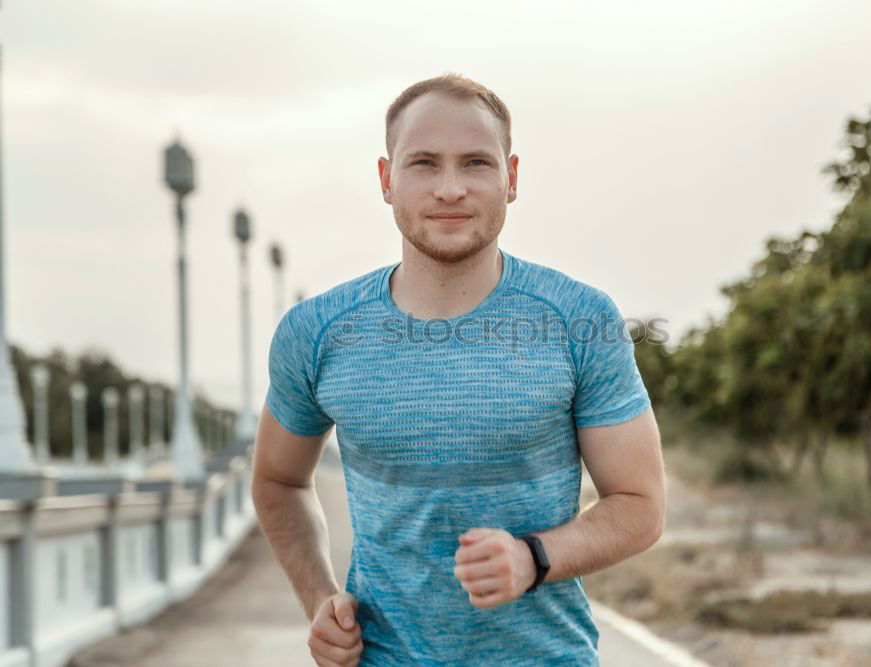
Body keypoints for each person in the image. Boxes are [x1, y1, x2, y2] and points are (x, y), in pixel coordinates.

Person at [251, 73, 667, 666]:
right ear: (386, 180)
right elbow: (277, 480)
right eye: (423, 163)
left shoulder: (581, 319)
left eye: (475, 163)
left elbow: (640, 503)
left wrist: (533, 558)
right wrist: (320, 599)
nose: (450, 189)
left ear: (511, 178)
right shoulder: (316, 332)